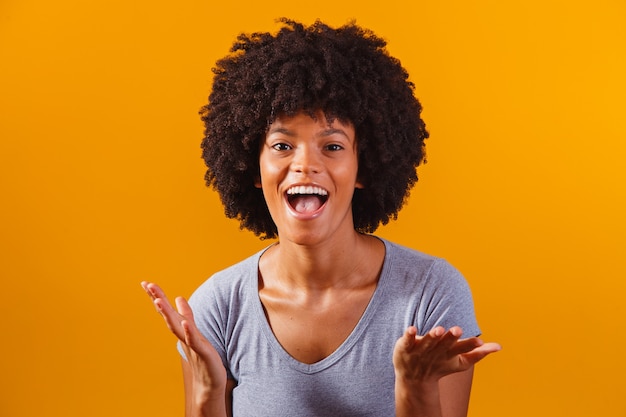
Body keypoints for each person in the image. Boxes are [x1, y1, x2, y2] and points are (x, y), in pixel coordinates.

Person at [141, 18, 500, 417]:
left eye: (331, 145)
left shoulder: (429, 295)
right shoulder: (219, 306)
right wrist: (208, 391)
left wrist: (415, 390)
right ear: (252, 167)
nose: (305, 164)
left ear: (364, 168)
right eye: (281, 145)